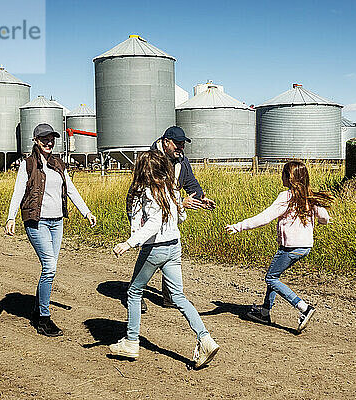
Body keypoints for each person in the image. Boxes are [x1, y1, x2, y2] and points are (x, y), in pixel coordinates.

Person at [111, 150, 219, 369]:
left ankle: (131, 342)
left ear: (143, 171)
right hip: (174, 246)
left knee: (133, 292)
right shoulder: (170, 190)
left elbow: (153, 224)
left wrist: (129, 242)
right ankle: (205, 338)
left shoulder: (148, 192)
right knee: (178, 296)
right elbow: (181, 216)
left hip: (155, 248)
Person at [5, 123, 96, 337]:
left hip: (57, 222)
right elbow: (18, 192)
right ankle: (44, 319)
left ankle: (37, 311)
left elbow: (71, 190)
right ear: (36, 140)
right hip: (37, 222)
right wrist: (11, 217)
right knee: (49, 267)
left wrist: (86, 212)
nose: (49, 142)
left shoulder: (58, 164)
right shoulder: (27, 165)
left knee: (51, 268)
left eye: (51, 138)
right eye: (44, 138)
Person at [225, 160, 332, 333]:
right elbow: (324, 217)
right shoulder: (310, 197)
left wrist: (239, 226)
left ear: (289, 178)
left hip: (290, 248)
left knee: (271, 279)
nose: (280, 177)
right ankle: (265, 311)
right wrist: (321, 221)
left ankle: (304, 308)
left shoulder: (286, 197)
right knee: (274, 274)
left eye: (283, 174)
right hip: (305, 247)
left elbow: (265, 217)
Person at [142, 126, 215, 310]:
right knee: (150, 251)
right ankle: (135, 292)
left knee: (170, 251)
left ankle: (170, 297)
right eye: (177, 144)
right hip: (150, 210)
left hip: (172, 210)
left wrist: (201, 198)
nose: (180, 148)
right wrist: (181, 202)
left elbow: (191, 183)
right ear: (166, 142)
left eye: (183, 144)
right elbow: (155, 193)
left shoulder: (181, 160)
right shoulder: (151, 160)